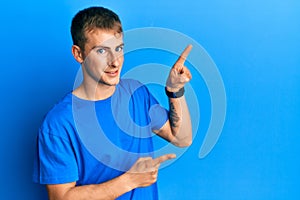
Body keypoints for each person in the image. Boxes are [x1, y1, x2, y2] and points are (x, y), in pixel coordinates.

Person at [33, 6, 192, 200]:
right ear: (78, 54)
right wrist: (130, 180)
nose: (115, 62)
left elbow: (182, 138)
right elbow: (61, 197)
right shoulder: (58, 123)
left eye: (118, 49)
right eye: (101, 51)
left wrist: (175, 91)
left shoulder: (137, 94)